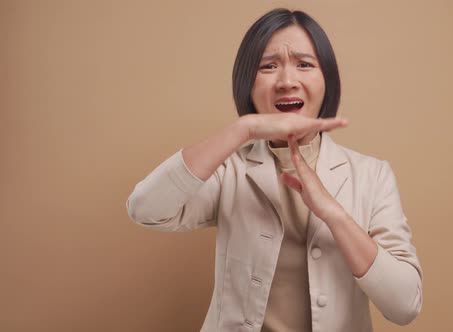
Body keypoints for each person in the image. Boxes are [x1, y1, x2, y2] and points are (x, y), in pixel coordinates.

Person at [126, 8, 423, 332]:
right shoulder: (229, 171)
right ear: (247, 84)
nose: (286, 81)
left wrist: (334, 214)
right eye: (268, 66)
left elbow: (405, 305)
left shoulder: (372, 175)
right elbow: (146, 209)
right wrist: (245, 129)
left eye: (304, 64)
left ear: (327, 80)